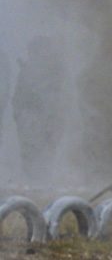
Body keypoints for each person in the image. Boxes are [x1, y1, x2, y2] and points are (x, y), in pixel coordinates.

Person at [12, 36, 68, 181]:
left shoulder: (55, 71)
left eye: (36, 51)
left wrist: (53, 120)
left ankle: (42, 180)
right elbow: (18, 97)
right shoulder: (27, 71)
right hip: (29, 118)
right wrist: (19, 115)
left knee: (45, 151)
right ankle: (34, 180)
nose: (32, 54)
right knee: (30, 152)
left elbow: (58, 98)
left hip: (45, 119)